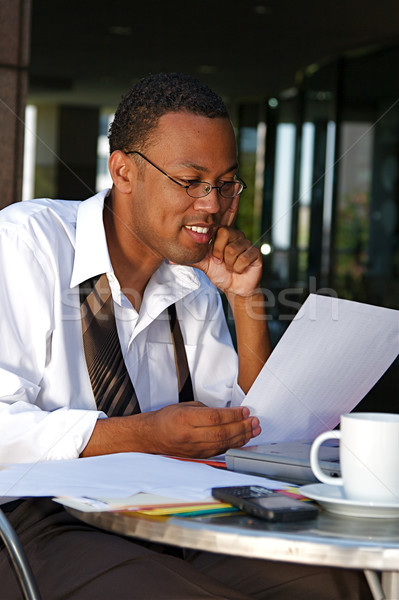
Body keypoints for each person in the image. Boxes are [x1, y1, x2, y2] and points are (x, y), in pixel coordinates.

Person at [0, 73, 372, 599]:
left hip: (163, 511)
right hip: (35, 517)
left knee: (338, 584)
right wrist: (143, 436)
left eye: (225, 183)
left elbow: (252, 427)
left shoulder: (193, 280)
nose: (212, 205)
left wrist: (245, 301)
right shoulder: (25, 245)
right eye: (189, 180)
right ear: (124, 171)